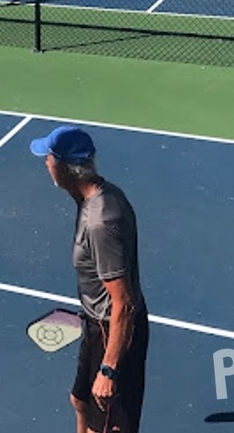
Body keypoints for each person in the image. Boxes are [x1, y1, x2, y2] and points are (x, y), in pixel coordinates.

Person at [29, 124, 149, 433]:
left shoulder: (101, 221)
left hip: (113, 329)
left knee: (108, 425)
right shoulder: (93, 196)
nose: (45, 163)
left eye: (50, 158)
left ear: (66, 168)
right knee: (80, 401)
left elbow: (123, 303)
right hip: (96, 323)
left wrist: (109, 370)